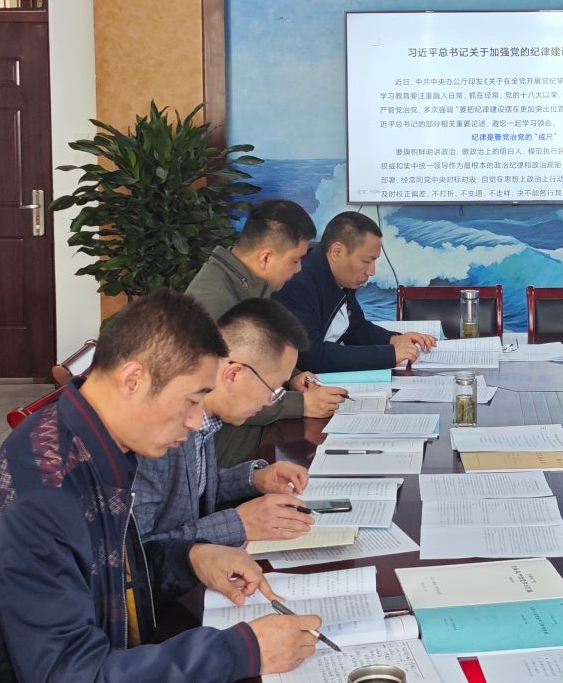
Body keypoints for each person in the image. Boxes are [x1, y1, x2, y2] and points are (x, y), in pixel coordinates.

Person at [0, 289, 319, 683]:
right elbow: (71, 673)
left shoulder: (92, 441)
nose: (197, 422)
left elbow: (111, 574)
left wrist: (189, 559)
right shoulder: (45, 496)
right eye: (191, 400)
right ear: (133, 380)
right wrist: (241, 651)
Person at [132, 298, 316, 547]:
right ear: (234, 374)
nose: (269, 402)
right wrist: (241, 523)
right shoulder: (159, 431)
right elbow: (139, 552)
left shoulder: (206, 413)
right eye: (272, 389)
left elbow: (193, 489)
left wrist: (254, 478)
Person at [187, 199, 347, 467]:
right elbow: (228, 392)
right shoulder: (214, 303)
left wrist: (292, 377)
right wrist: (302, 404)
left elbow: (256, 356)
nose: (298, 269)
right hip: (224, 455)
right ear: (265, 257)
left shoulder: (246, 283)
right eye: (295, 260)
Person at [275, 211, 437, 373]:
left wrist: (394, 339)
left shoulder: (339, 276)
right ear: (337, 252)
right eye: (366, 261)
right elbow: (311, 356)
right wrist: (389, 354)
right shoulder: (298, 283)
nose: (371, 271)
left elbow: (355, 328)